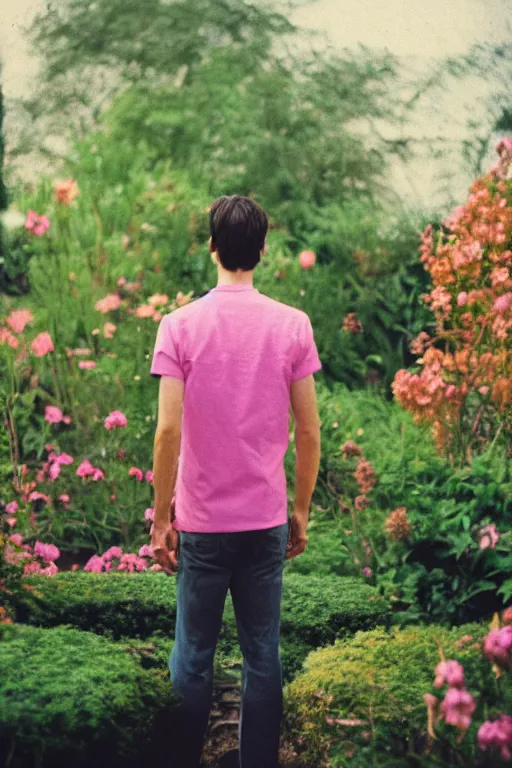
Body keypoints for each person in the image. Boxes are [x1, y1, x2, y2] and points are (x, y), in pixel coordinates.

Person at [149, 195, 322, 768]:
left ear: (212, 247)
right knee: (262, 657)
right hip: (266, 521)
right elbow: (309, 431)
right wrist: (300, 510)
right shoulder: (292, 326)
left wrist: (160, 519)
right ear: (264, 250)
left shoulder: (179, 326)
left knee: (192, 657)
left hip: (201, 524)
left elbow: (166, 432)